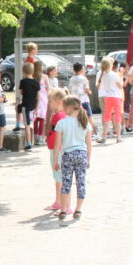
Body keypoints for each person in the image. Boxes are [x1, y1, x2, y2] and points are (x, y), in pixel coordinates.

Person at [53, 95, 92, 223]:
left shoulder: (62, 123)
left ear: (69, 107)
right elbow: (89, 144)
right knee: (81, 183)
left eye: (64, 107)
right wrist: (88, 159)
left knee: (66, 183)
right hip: (81, 154)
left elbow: (57, 144)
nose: (63, 109)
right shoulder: (85, 122)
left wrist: (56, 160)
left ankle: (63, 209)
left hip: (67, 155)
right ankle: (78, 209)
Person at [45, 88, 68, 214]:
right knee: (59, 177)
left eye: (51, 101)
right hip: (57, 148)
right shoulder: (62, 115)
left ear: (59, 101)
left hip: (56, 149)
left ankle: (60, 202)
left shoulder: (58, 116)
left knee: (59, 177)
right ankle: (59, 201)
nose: (49, 104)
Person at [96, 57, 124, 144]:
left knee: (107, 117)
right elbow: (120, 86)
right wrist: (121, 75)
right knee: (117, 117)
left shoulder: (103, 75)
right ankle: (118, 136)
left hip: (108, 97)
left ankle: (104, 136)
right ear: (110, 65)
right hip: (116, 96)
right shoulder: (114, 74)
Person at [69, 62, 98, 135]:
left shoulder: (72, 79)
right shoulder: (84, 79)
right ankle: (93, 132)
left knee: (76, 116)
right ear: (82, 69)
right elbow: (87, 89)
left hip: (75, 100)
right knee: (89, 116)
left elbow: (70, 89)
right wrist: (90, 92)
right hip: (84, 100)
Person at [18, 62, 39, 151]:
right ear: (33, 71)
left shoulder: (23, 81)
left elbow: (21, 93)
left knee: (27, 124)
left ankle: (28, 143)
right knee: (17, 108)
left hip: (25, 105)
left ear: (23, 71)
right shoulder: (36, 82)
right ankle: (29, 141)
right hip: (33, 104)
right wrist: (37, 108)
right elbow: (39, 96)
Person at [33, 66, 50, 145]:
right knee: (42, 119)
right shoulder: (45, 76)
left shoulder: (33, 76)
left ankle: (35, 138)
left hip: (35, 98)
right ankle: (40, 138)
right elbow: (48, 88)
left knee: (35, 119)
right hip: (43, 98)